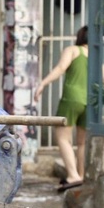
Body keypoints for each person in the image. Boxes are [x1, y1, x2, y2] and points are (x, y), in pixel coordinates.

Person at [34, 26, 89, 191]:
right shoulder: (95, 55)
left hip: (72, 98)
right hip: (89, 101)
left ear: (80, 36)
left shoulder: (73, 50)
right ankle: (81, 175)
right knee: (82, 142)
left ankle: (73, 175)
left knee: (62, 136)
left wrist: (43, 83)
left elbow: (60, 68)